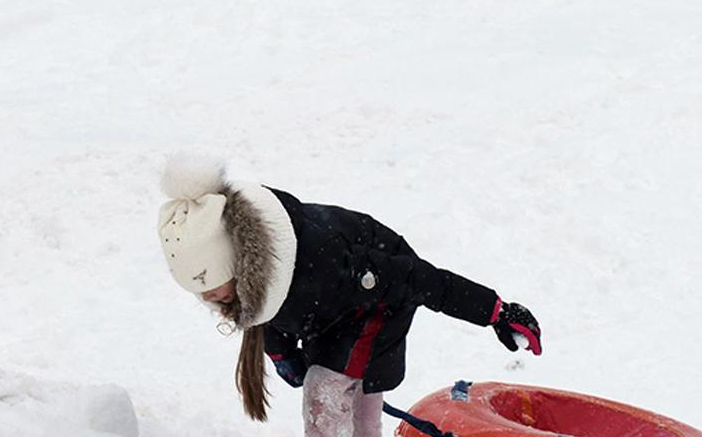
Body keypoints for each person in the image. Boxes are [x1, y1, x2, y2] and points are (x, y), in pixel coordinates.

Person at [156, 156, 542, 436]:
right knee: (340, 385)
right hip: (335, 308)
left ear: (237, 265)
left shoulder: (327, 266)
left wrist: (494, 311)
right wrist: (282, 352)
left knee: (327, 388)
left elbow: (419, 278)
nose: (210, 300)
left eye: (214, 289)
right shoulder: (254, 270)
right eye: (202, 294)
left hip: (377, 300)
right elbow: (263, 310)